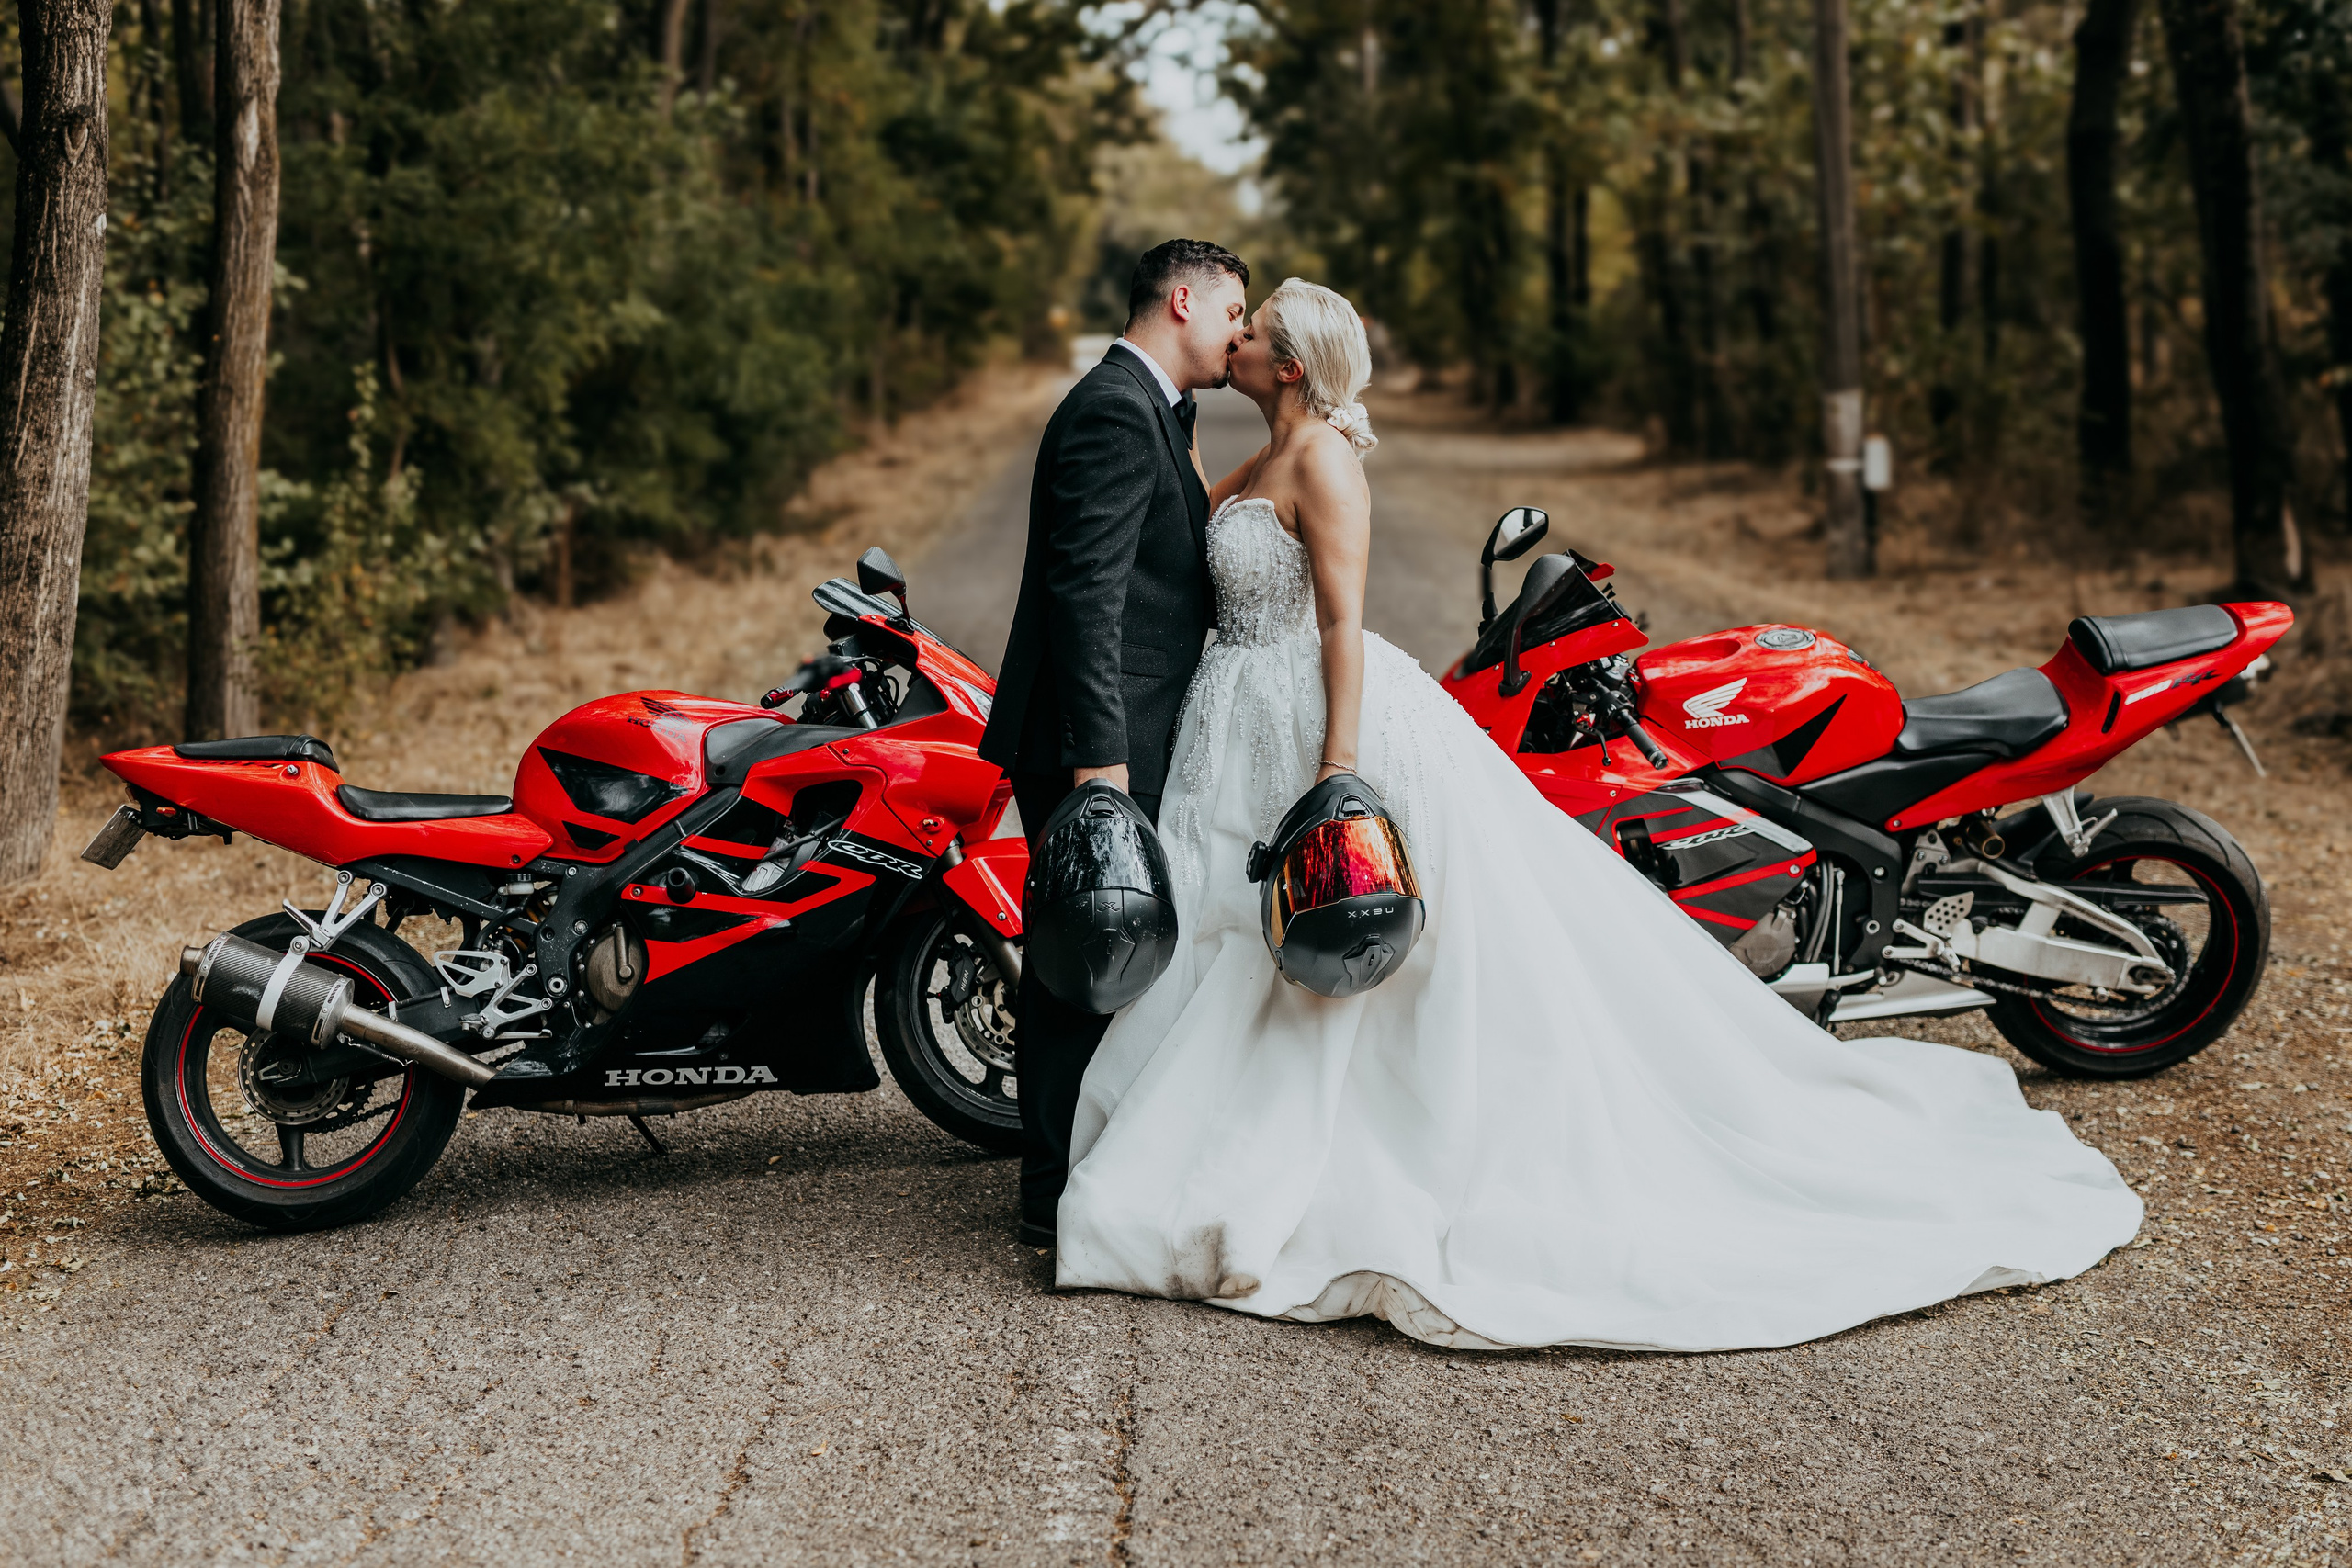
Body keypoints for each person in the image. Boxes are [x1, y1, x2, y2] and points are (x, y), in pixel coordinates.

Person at [1050, 278, 2143, 1352]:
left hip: (1305, 717)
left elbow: (1341, 624)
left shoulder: (1326, 462)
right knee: (1229, 925)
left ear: (1287, 365)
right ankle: (1215, 1134)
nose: (1231, 339)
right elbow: (1202, 523)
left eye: (1252, 332)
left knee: (1331, 929)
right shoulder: (1262, 450)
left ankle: (1332, 1144)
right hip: (1231, 712)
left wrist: (1335, 774)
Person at [978, 238, 1250, 1247]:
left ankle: (1077, 1170)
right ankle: (1051, 1196)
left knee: (1102, 957)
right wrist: (1101, 764)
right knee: (1080, 961)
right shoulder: (1109, 411)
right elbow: (1082, 596)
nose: (1238, 334)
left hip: (1125, 733)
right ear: (1183, 300)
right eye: (1232, 312)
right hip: (1092, 741)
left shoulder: (1151, 413)